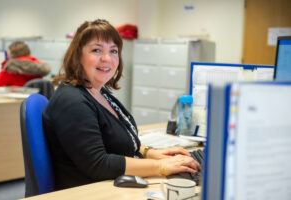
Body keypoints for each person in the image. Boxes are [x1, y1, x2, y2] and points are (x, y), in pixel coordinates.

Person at [43, 19, 201, 191]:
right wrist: (160, 166)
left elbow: (115, 139)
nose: (107, 59)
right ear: (78, 55)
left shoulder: (98, 92)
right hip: (91, 190)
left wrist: (150, 153)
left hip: (110, 184)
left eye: (113, 51)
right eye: (96, 50)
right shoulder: (72, 101)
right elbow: (98, 163)